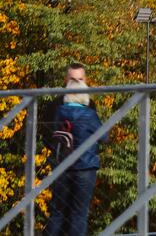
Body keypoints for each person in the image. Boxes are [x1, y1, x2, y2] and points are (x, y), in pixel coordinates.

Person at [45, 63, 105, 236]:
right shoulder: (60, 105)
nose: (77, 83)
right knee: (74, 214)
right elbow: (48, 135)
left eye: (80, 79)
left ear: (85, 80)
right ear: (66, 80)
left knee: (60, 213)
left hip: (64, 166)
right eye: (73, 79)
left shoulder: (87, 105)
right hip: (76, 166)